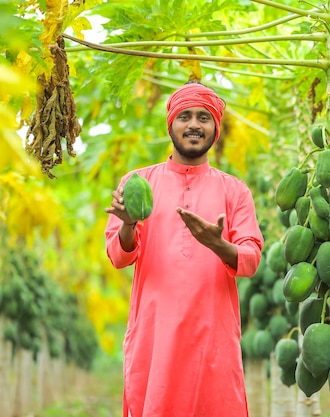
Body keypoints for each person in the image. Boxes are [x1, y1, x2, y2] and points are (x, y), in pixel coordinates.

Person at [104, 82, 264, 417]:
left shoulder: (234, 190)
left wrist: (219, 245)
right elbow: (119, 257)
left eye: (204, 117)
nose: (194, 124)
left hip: (213, 338)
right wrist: (129, 224)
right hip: (155, 336)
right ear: (171, 125)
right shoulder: (139, 182)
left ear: (215, 129)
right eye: (185, 116)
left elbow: (250, 260)